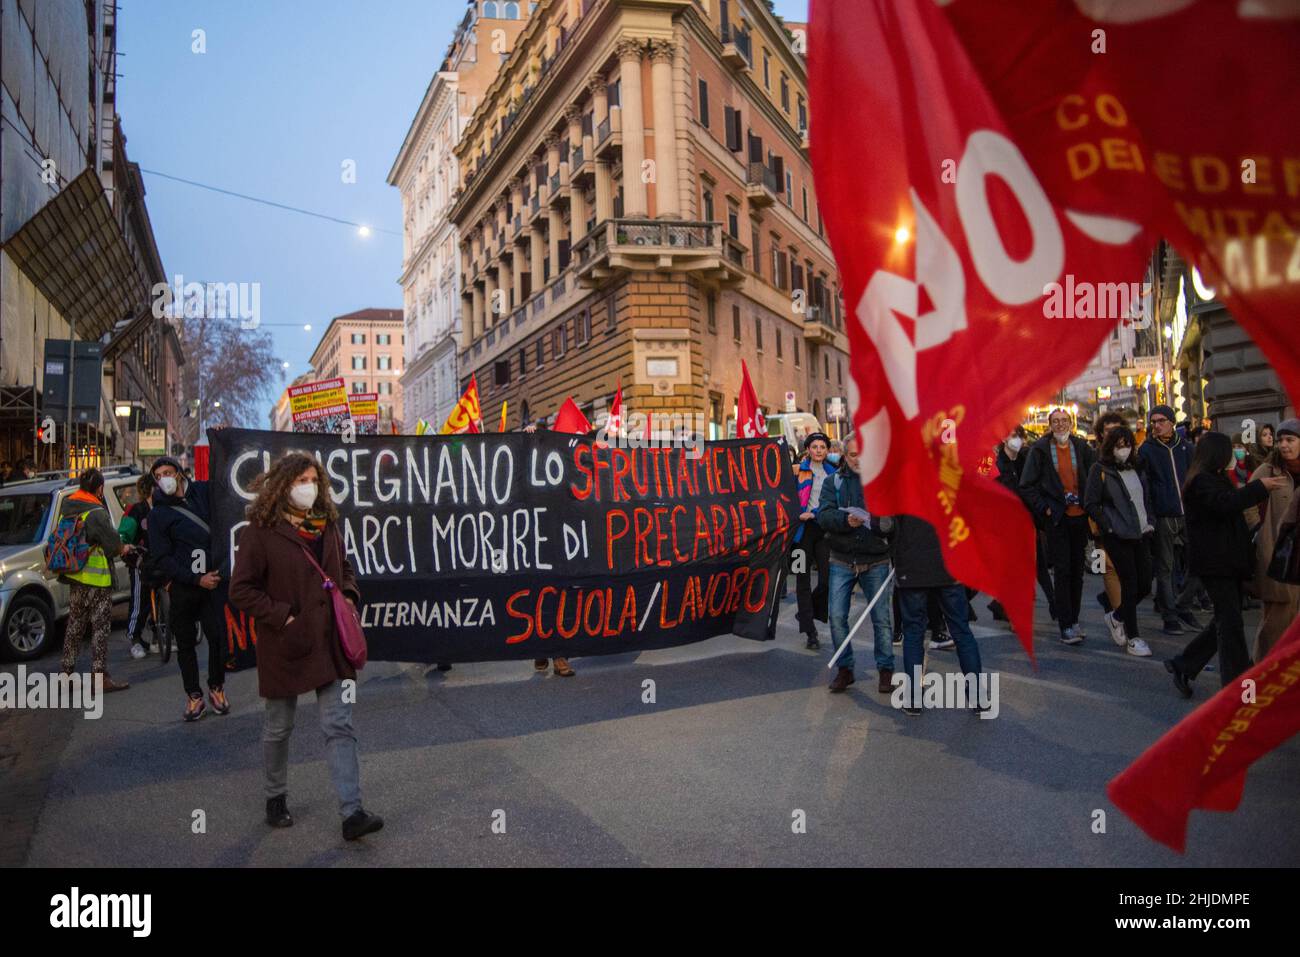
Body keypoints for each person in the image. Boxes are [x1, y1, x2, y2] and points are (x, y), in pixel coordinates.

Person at [228, 452, 384, 841]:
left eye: (314, 479)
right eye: (301, 480)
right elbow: (241, 590)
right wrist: (283, 616)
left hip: (329, 642)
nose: (308, 487)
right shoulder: (260, 532)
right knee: (280, 727)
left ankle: (352, 813)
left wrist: (349, 594)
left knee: (339, 725)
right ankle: (275, 797)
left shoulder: (327, 523)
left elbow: (344, 566)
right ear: (283, 486)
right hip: (286, 643)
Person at [1165, 433, 1286, 698]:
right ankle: (1239, 687)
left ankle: (1184, 664)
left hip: (1226, 562)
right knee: (1230, 624)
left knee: (1225, 620)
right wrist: (1259, 488)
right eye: (1230, 451)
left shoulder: (1214, 478)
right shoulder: (1201, 482)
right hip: (1215, 564)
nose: (1234, 455)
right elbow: (1226, 505)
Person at [149, 455, 227, 720]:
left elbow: (223, 482)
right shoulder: (158, 514)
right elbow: (161, 557)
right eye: (158, 477)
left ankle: (216, 686)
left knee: (217, 638)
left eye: (168, 473)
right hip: (184, 588)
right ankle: (194, 696)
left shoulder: (201, 493)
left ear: (180, 473)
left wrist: (221, 443)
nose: (164, 480)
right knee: (185, 645)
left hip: (212, 584)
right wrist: (194, 579)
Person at [818, 435, 894, 693]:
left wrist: (877, 521)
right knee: (837, 617)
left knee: (881, 619)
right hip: (842, 558)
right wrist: (844, 522)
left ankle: (886, 669)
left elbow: (893, 521)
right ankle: (845, 669)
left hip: (876, 559)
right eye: (853, 455)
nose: (859, 459)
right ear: (844, 456)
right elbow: (824, 516)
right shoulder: (833, 482)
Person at [893, 515, 986, 716]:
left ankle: (913, 700)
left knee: (913, 633)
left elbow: (883, 524)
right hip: (949, 565)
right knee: (962, 632)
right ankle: (978, 698)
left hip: (912, 566)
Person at [1020, 408, 1096, 644]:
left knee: (1077, 572)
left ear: (1071, 423)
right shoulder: (1040, 450)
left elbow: (1093, 478)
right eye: (1056, 421)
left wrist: (1089, 503)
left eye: (1064, 420)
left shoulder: (1082, 448)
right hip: (1057, 519)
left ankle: (1074, 620)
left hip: (1080, 516)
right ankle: (1065, 625)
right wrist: (1046, 508)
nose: (1061, 425)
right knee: (1062, 572)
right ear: (1050, 425)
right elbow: (1027, 485)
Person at [1083, 425, 1154, 657]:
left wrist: (1150, 520)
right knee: (1130, 584)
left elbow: (1144, 497)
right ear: (1110, 447)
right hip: (1118, 535)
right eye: (1118, 445)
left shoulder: (1136, 468)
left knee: (1145, 582)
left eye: (1127, 444)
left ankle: (1117, 616)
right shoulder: (1100, 469)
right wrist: (1108, 526)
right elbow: (1090, 502)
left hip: (1141, 532)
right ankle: (1134, 637)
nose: (1123, 449)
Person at [58, 468, 130, 692]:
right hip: (97, 580)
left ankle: (65, 675)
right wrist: (123, 547)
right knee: (100, 629)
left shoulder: (68, 507)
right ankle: (99, 678)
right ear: (99, 489)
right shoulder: (96, 512)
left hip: (75, 577)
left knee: (74, 627)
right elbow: (112, 545)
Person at [1137, 404, 1200, 636]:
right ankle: (1170, 616)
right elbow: (1145, 487)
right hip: (1164, 516)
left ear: (1172, 422)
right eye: (1153, 422)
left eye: (1161, 421)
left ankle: (1183, 605)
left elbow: (1196, 478)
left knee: (1199, 563)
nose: (1156, 425)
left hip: (1188, 515)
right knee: (1165, 568)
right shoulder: (1146, 450)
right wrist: (1151, 517)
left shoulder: (1186, 447)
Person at [989, 426, 1055, 622]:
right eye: (1013, 435)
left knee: (1039, 563)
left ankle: (1052, 604)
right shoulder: (995, 463)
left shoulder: (1026, 460)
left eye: (1019, 436)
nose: (1017, 440)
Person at [1249, 418, 1300, 660]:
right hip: (1277, 558)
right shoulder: (1268, 471)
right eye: (1280, 440)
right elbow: (1246, 502)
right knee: (1276, 621)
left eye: (1290, 440)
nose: (1283, 445)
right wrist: (1259, 530)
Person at [794, 431, 836, 649]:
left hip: (823, 531)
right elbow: (786, 497)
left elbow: (834, 500)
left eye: (822, 447)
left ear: (827, 450)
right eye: (815, 447)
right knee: (801, 578)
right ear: (808, 450)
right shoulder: (797, 471)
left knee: (826, 580)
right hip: (800, 535)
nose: (818, 450)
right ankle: (810, 631)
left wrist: (816, 512)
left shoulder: (834, 473)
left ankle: (805, 612)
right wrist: (797, 513)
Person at [118, 473, 156, 659]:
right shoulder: (137, 510)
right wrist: (125, 545)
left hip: (160, 562)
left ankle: (158, 636)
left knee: (158, 599)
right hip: (140, 562)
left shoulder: (163, 508)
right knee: (140, 600)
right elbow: (124, 534)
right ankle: (135, 638)